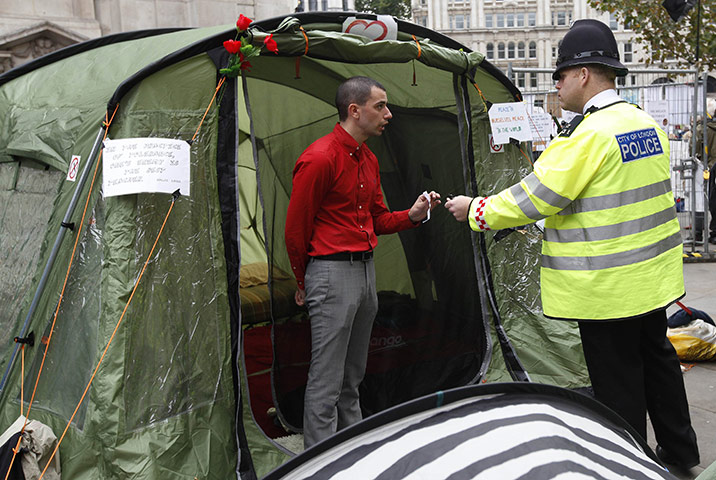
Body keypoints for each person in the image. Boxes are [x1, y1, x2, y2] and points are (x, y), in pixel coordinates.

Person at [445, 19, 699, 469]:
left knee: (617, 386)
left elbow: (535, 197)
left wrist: (477, 211)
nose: (556, 85)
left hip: (606, 288)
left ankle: (627, 465)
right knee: (657, 363)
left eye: (560, 75)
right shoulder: (644, 123)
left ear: (584, 74)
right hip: (652, 282)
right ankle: (679, 452)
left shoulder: (586, 135)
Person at [285, 76, 440, 448]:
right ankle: (319, 462)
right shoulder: (320, 158)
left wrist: (414, 214)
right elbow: (296, 228)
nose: (388, 114)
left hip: (363, 273)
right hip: (330, 273)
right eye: (380, 106)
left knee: (352, 377)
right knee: (326, 380)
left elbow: (378, 220)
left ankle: (352, 451)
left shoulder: (368, 158)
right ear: (355, 111)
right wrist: (302, 282)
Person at [695, 98, 716, 244]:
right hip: (713, 165)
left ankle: (699, 233)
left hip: (707, 167)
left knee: (704, 200)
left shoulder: (702, 128)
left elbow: (695, 149)